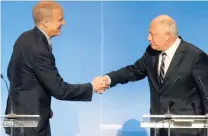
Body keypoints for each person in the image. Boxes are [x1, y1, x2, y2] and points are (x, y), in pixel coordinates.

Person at [4, 1, 106, 136]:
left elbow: (12, 73)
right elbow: (59, 90)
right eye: (60, 19)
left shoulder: (24, 37)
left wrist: (41, 104)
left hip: (18, 116)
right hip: (31, 124)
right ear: (45, 22)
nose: (64, 23)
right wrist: (92, 87)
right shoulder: (39, 49)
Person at [98, 15, 208, 136]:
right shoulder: (151, 53)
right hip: (158, 128)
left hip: (187, 131)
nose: (148, 38)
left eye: (152, 34)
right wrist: (108, 79)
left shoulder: (195, 56)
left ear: (167, 35)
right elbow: (134, 71)